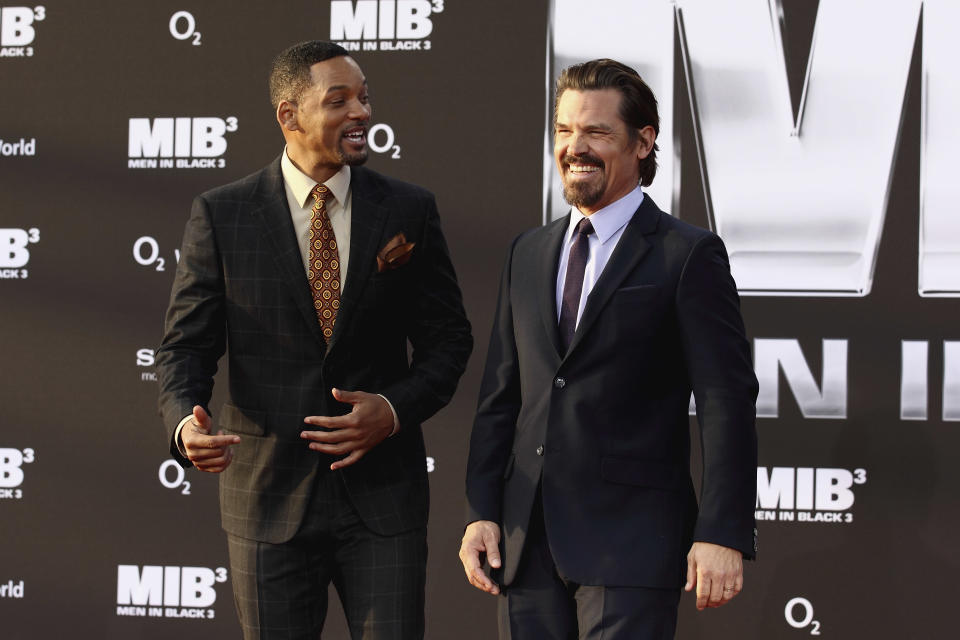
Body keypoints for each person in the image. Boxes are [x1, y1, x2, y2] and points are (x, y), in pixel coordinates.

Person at [156, 40, 472, 640]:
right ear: (289, 115)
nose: (362, 112)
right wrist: (184, 425)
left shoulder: (409, 209)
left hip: (384, 501)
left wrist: (393, 409)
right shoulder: (223, 215)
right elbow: (184, 347)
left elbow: (450, 341)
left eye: (365, 96)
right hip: (267, 496)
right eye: (339, 100)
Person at [459, 58, 758, 639]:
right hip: (526, 542)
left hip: (633, 540)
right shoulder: (529, 251)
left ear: (643, 142)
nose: (576, 147)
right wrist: (481, 511)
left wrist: (721, 530)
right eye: (565, 131)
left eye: (596, 132)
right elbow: (502, 396)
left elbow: (726, 402)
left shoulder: (687, 254)